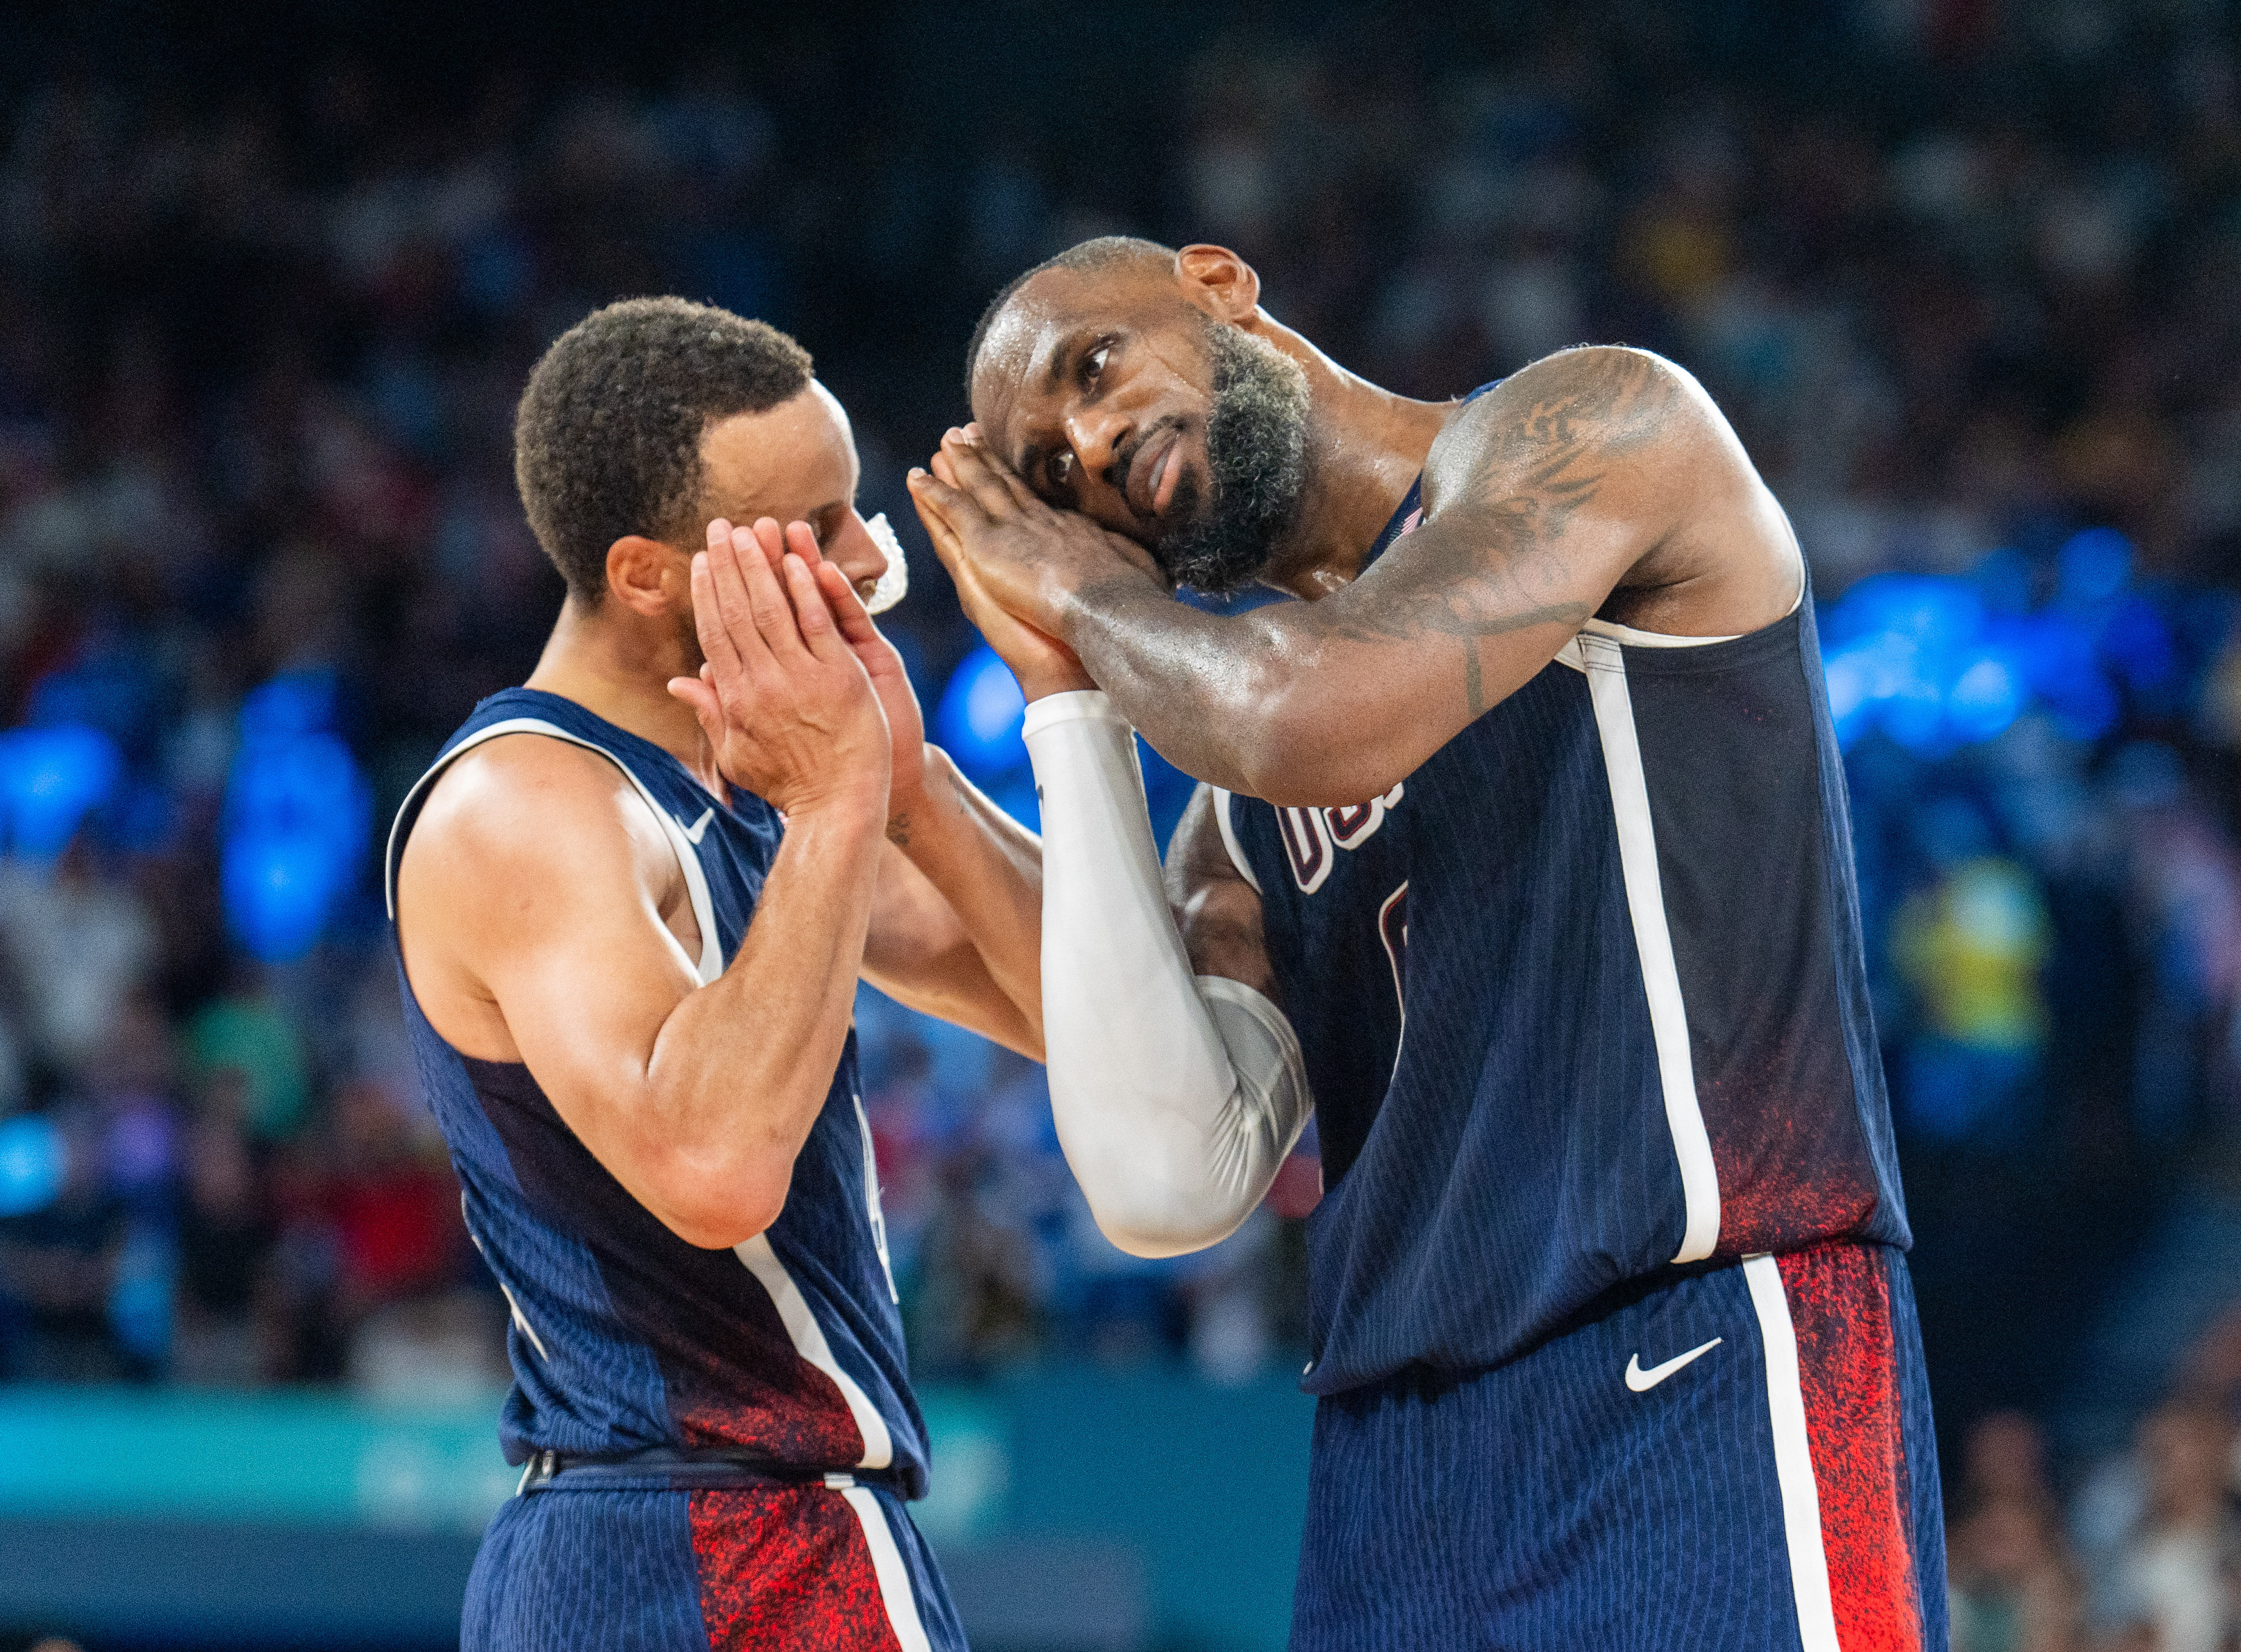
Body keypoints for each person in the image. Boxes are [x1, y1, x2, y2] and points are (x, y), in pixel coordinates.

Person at [910, 236, 1945, 1650]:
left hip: (1698, 1352)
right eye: (1048, 480)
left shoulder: (1593, 426)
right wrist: (1046, 716)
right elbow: (1165, 1169)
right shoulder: (1235, 816)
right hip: (1394, 1468)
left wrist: (1080, 597)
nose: (1091, 444)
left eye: (1095, 367)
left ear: (1217, 283)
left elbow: (1305, 714)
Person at [390, 297, 1055, 1651]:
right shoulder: (528, 803)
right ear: (646, 575)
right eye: (814, 532)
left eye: (853, 506)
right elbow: (712, 1165)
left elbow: (1084, 1018)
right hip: (695, 1535)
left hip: (743, 1533)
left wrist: (906, 783)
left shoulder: (748, 783)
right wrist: (831, 807)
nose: (870, 559)